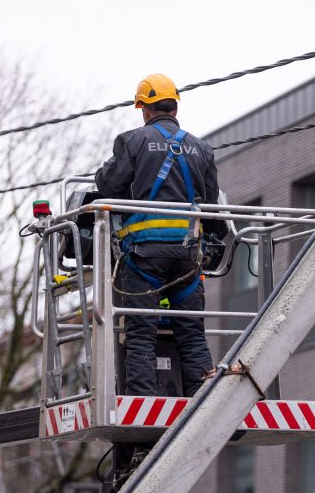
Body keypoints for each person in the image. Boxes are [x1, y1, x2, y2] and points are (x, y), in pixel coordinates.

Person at [95, 73, 218, 399]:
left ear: (145, 109)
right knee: (192, 335)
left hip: (144, 257)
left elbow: (108, 186)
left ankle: (143, 406)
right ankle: (204, 403)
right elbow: (212, 202)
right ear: (174, 107)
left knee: (141, 334)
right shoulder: (201, 148)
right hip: (188, 258)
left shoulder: (132, 142)